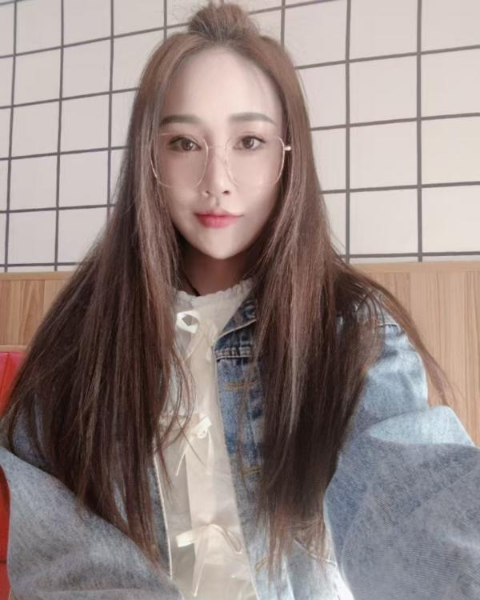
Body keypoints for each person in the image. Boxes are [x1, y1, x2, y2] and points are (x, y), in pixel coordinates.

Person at [0, 1, 479, 599]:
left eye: (249, 140)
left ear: (287, 154)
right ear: (149, 157)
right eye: (184, 143)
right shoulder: (77, 347)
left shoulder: (347, 328)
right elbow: (69, 572)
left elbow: (414, 491)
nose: (217, 181)